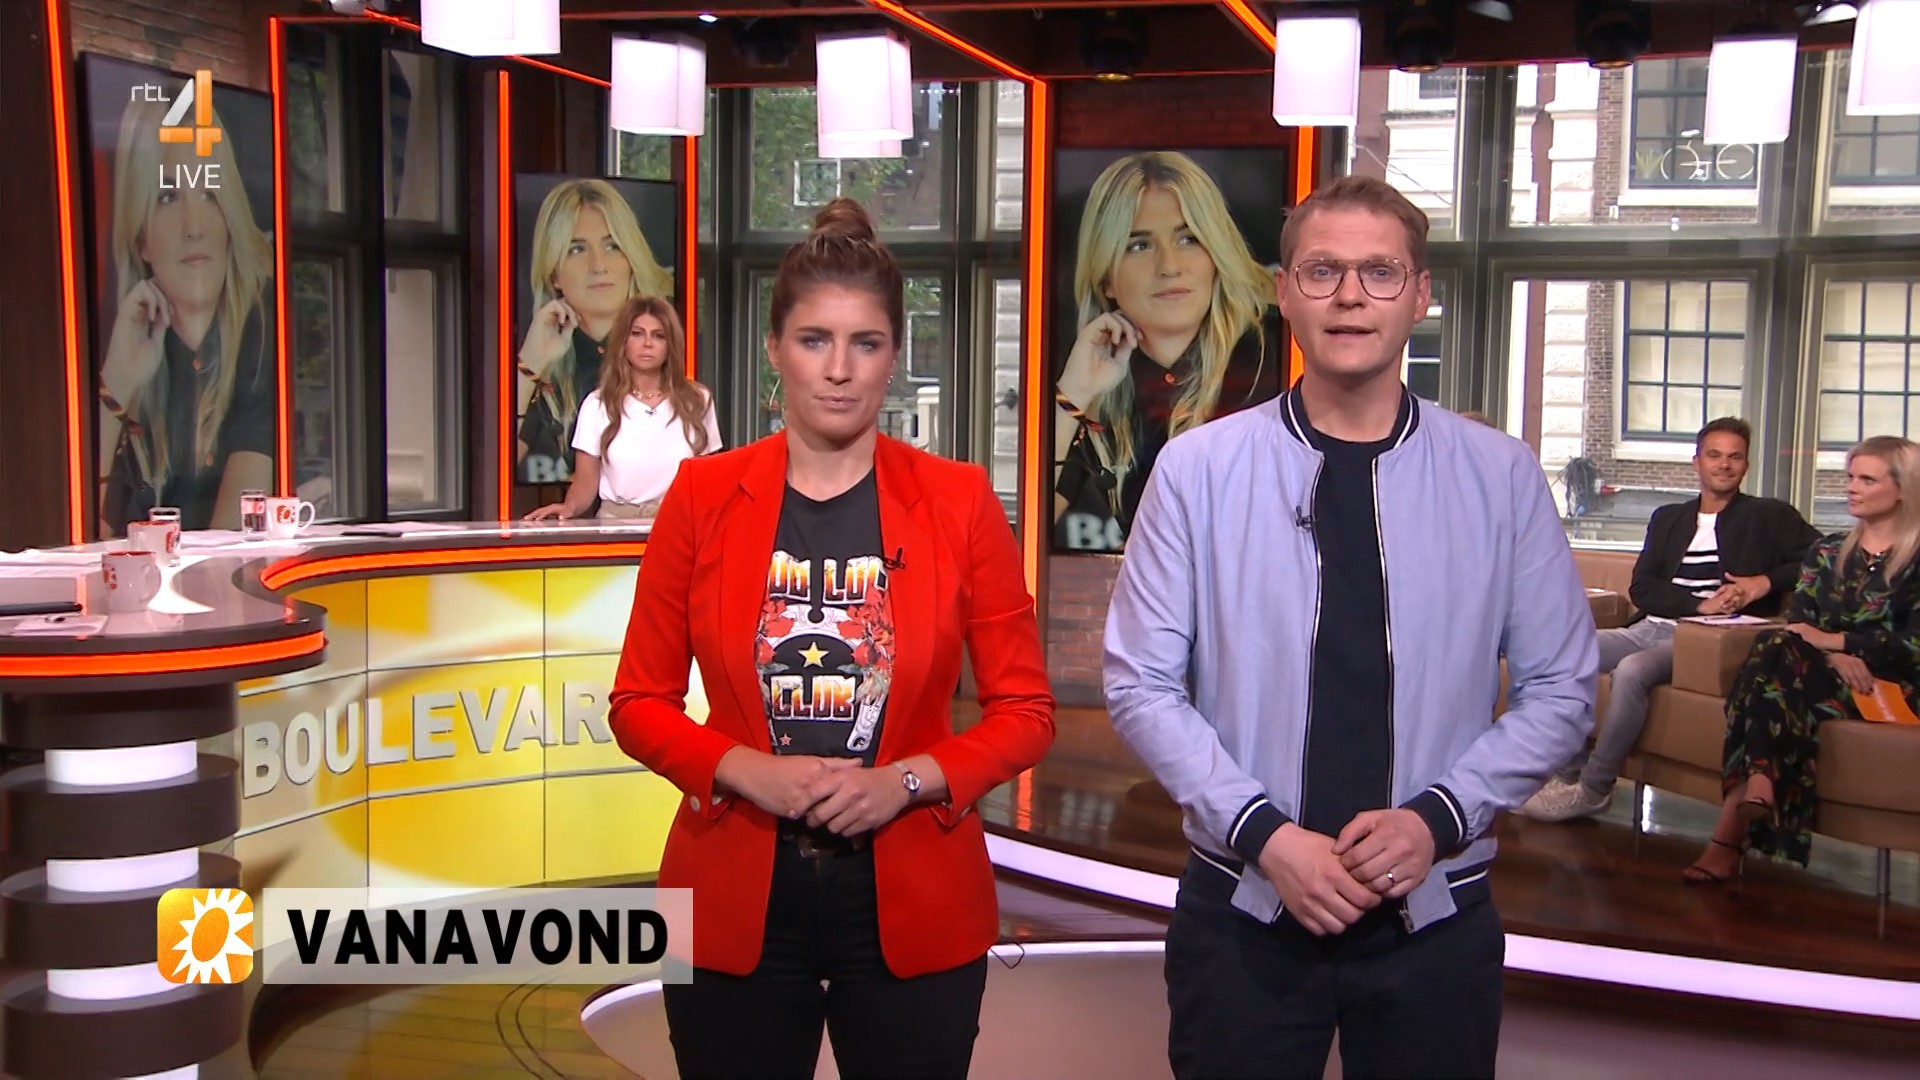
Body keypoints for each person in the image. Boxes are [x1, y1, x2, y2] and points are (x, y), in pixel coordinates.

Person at [1103, 174, 1597, 1080]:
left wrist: (1436, 821)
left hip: (1435, 920)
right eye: (1322, 271)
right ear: (1284, 292)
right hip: (1244, 913)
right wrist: (1265, 835)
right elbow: (1140, 683)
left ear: (1420, 294)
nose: (1350, 297)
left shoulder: (1500, 476)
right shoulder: (1197, 471)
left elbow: (1562, 690)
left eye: (1379, 272)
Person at [605, 197, 1055, 1080]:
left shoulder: (960, 501)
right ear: (775, 349)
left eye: (866, 343)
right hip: (736, 893)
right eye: (815, 340)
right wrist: (745, 770)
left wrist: (905, 782)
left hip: (914, 892)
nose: (841, 369)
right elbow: (637, 704)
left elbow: (1026, 712)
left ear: (896, 355)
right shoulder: (701, 497)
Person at [1522, 417, 1820, 823]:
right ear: (1697, 462)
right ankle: (1566, 773)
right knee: (1566, 651)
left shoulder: (1769, 516)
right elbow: (1642, 588)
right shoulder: (1668, 518)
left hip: (1706, 642)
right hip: (1653, 625)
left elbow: (1823, 555)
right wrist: (1698, 605)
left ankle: (1595, 788)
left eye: (1735, 457)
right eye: (1714, 455)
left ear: (1746, 465)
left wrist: (1763, 583)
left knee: (1632, 671)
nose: (1724, 465)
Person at [1683, 436, 1920, 884]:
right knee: (1773, 650)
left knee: (1771, 672)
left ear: (1903, 489)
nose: (1852, 487)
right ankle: (1755, 789)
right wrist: (1833, 656)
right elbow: (1798, 626)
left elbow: (1913, 644)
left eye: (1867, 480)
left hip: (1891, 686)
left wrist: (1839, 642)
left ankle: (1738, 816)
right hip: (1820, 672)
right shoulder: (1827, 551)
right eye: (1850, 477)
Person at [1053, 150, 1284, 553]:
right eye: (1139, 245)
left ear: (1215, 253)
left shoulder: (1276, 357)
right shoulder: (1091, 383)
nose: (1169, 266)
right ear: (1106, 278)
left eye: (1188, 238)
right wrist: (1074, 392)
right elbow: (1038, 519)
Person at [98, 95, 276, 537]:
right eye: (167, 197)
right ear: (141, 239)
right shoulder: (126, 345)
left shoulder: (265, 333)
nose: (194, 226)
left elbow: (228, 548)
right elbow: (79, 533)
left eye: (209, 194)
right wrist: (116, 383)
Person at [516, 177, 675, 484]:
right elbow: (498, 467)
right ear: (554, 274)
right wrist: (530, 364)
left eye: (612, 245)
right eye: (576, 249)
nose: (599, 265)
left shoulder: (673, 346)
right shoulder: (545, 367)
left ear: (631, 258)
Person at [524, 296, 719, 522]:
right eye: (637, 334)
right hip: (615, 525)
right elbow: (586, 481)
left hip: (679, 525)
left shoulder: (697, 400)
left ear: (671, 345)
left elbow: (710, 479)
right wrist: (569, 507)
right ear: (623, 341)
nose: (647, 343)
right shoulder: (597, 404)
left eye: (659, 335)